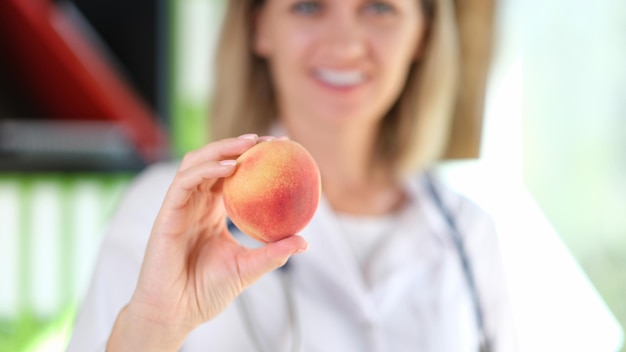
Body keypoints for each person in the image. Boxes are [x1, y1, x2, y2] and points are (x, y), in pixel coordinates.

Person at [68, 0, 517, 351]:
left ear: (423, 32)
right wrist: (152, 332)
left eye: (380, 7)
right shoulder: (167, 212)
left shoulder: (469, 234)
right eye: (308, 6)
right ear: (259, 26)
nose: (345, 42)